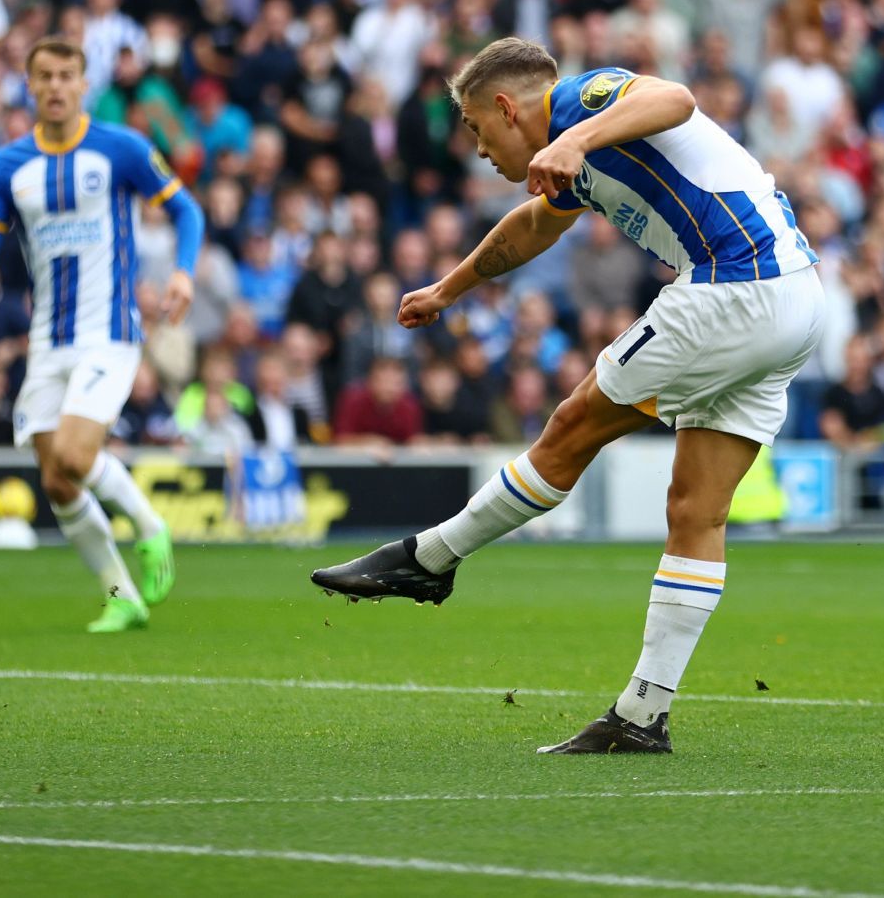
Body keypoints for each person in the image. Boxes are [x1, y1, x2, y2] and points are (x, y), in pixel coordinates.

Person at [311, 38, 824, 753]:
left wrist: (576, 137)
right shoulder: (573, 164)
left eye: (474, 128)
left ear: (504, 106)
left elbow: (674, 98)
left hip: (737, 280)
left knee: (573, 423)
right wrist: (446, 289)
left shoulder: (585, 98)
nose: (479, 148)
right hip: (794, 299)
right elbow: (531, 227)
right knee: (694, 509)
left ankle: (429, 558)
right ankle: (643, 715)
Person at [0, 37, 203, 633]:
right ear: (29, 85)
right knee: (55, 478)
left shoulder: (119, 147)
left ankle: (150, 528)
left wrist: (182, 271)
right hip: (48, 338)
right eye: (43, 75)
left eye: (65, 75)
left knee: (77, 456)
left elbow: (186, 210)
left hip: (109, 332)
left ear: (83, 83)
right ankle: (121, 594)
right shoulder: (8, 166)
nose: (54, 86)